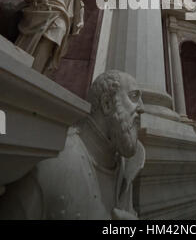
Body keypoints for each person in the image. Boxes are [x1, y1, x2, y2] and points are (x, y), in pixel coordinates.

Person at [0, 70, 145, 220]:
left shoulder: (124, 167)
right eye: (134, 96)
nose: (142, 108)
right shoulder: (55, 162)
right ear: (107, 103)